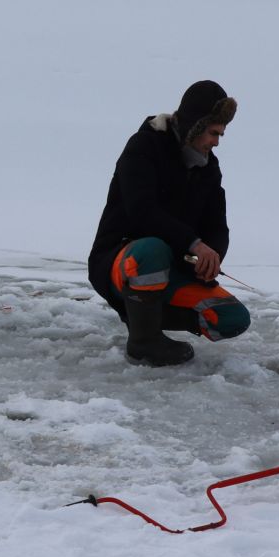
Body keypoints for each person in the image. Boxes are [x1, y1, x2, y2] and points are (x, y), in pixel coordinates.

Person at [88, 80, 251, 366]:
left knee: (231, 318)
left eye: (221, 135)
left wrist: (210, 258)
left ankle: (142, 315)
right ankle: (144, 341)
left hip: (172, 267)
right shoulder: (144, 146)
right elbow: (143, 212)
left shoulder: (208, 167)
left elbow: (218, 226)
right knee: (151, 249)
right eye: (214, 133)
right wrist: (194, 244)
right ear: (195, 126)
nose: (216, 142)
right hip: (121, 261)